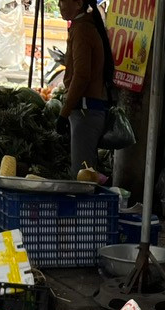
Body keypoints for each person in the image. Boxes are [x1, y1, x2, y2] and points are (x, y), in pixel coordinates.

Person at [58, 0, 112, 177]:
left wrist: (64, 113)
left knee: (82, 177)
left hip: (85, 111)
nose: (59, 5)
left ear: (78, 3)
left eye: (62, 1)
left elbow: (81, 76)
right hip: (89, 110)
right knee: (87, 174)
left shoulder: (82, 30)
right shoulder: (85, 26)